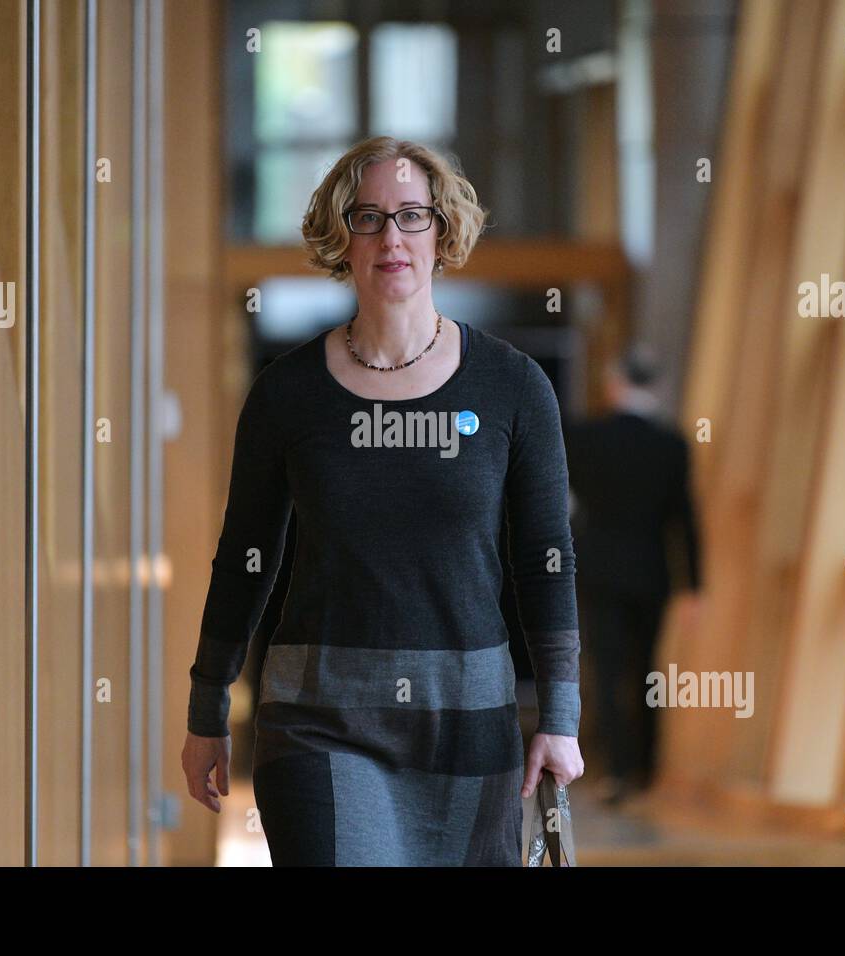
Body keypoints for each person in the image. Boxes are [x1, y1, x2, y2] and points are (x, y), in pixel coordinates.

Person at [181, 135, 584, 866]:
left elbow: (545, 562)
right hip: (319, 723)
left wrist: (560, 717)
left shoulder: (514, 387)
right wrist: (208, 703)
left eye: (411, 216)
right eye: (367, 217)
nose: (390, 236)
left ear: (443, 232)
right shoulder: (288, 393)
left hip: (467, 727)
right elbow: (244, 560)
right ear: (342, 236)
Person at [563, 345, 702, 805]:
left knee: (605, 668)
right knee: (646, 669)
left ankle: (616, 770)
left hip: (599, 570)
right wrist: (694, 584)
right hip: (652, 572)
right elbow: (684, 517)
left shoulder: (585, 437)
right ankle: (648, 767)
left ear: (614, 383)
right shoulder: (672, 443)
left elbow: (565, 499)